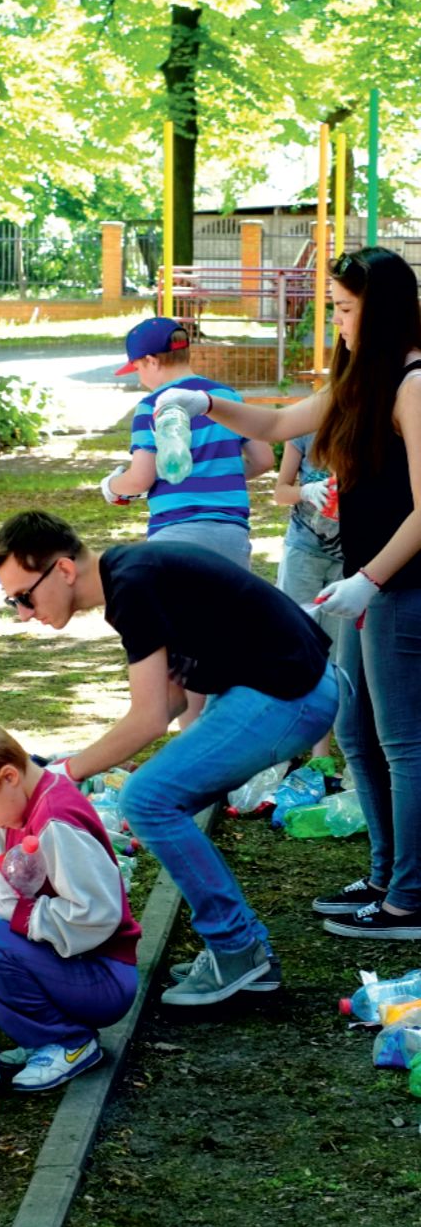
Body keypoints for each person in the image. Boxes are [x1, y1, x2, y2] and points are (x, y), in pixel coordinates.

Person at [153, 246, 421, 940]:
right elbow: (276, 426)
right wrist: (202, 400)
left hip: (399, 587)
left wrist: (368, 578)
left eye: (344, 308)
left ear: (382, 309)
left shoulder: (413, 384)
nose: (335, 323)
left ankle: (410, 899)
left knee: (402, 743)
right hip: (372, 588)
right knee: (357, 734)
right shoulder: (369, 379)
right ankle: (386, 873)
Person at [0, 511, 338, 1005]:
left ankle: (239, 950)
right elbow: (169, 704)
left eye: (24, 597)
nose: (22, 613)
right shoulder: (131, 576)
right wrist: (82, 762)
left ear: (62, 570)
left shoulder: (132, 586)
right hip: (284, 687)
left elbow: (149, 719)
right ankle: (238, 947)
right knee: (155, 792)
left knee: (147, 799)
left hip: (292, 692)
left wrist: (62, 774)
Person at [0, 718, 140, 1091]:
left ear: (9, 776)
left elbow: (97, 915)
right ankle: (41, 1035)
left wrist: (15, 912)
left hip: (105, 975)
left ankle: (69, 1042)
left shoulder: (54, 821)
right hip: (72, 962)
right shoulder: (17, 807)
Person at [100, 317, 274, 723]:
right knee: (223, 643)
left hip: (175, 541)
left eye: (137, 369)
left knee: (181, 655)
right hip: (231, 536)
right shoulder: (225, 397)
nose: (139, 378)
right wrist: (222, 475)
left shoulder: (152, 407)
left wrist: (112, 486)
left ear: (149, 362)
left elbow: (141, 476)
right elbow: (264, 459)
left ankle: (194, 756)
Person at [273, 433, 343, 764]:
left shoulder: (372, 426)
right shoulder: (303, 432)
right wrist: (305, 491)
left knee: (335, 654)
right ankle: (281, 747)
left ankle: (320, 752)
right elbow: (280, 492)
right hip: (303, 550)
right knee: (292, 645)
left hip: (351, 557)